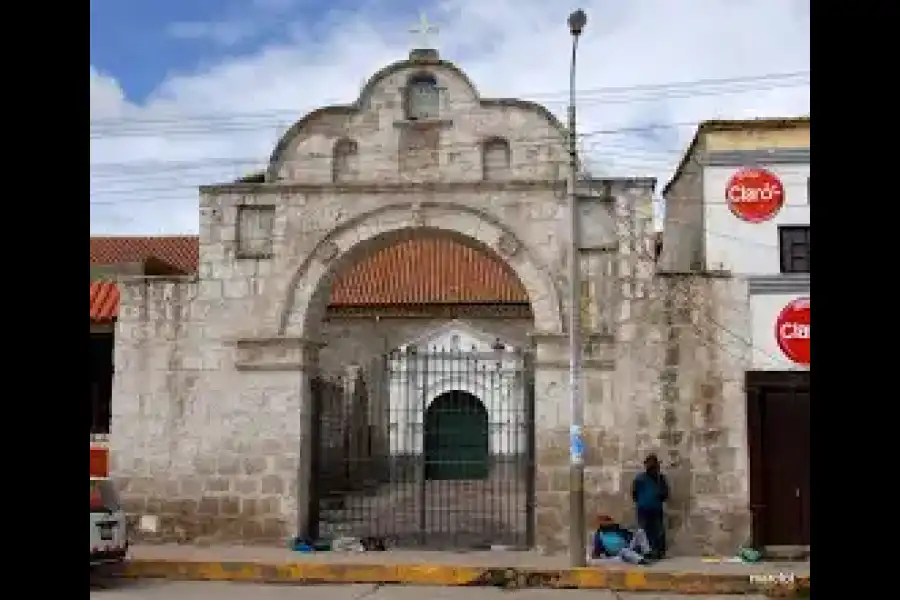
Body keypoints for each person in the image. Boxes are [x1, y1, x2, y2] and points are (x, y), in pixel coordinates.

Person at [631, 453, 669, 559]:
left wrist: (659, 495)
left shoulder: (660, 479)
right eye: (650, 466)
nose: (652, 469)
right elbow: (634, 493)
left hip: (656, 509)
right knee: (644, 531)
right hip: (643, 509)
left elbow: (665, 494)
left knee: (658, 531)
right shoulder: (640, 478)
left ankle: (659, 552)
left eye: (654, 466)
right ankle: (646, 552)